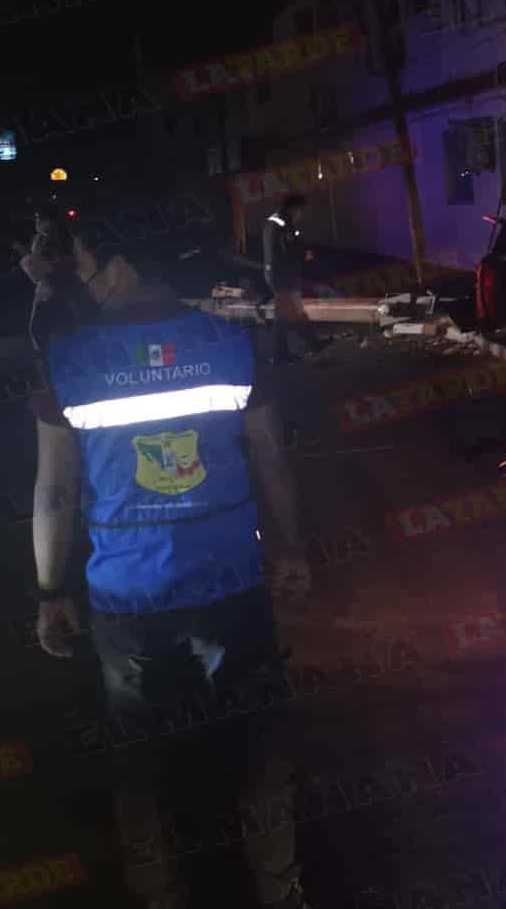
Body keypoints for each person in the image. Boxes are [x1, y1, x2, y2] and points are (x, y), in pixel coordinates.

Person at [26, 213, 313, 908]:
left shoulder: (69, 360)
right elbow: (272, 458)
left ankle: (160, 897)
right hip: (231, 584)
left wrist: (50, 590)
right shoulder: (231, 344)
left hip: (128, 599)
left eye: (87, 264)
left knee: (142, 767)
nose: (82, 279)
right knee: (257, 748)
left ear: (122, 265)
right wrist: (292, 550)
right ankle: (280, 892)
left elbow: (55, 492)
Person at [261, 193, 326, 364]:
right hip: (283, 275)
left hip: (273, 273)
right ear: (294, 208)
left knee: (294, 311)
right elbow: (289, 249)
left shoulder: (273, 220)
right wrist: (305, 255)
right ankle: (280, 354)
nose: (300, 214)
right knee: (285, 315)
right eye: (300, 210)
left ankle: (313, 344)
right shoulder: (285, 223)